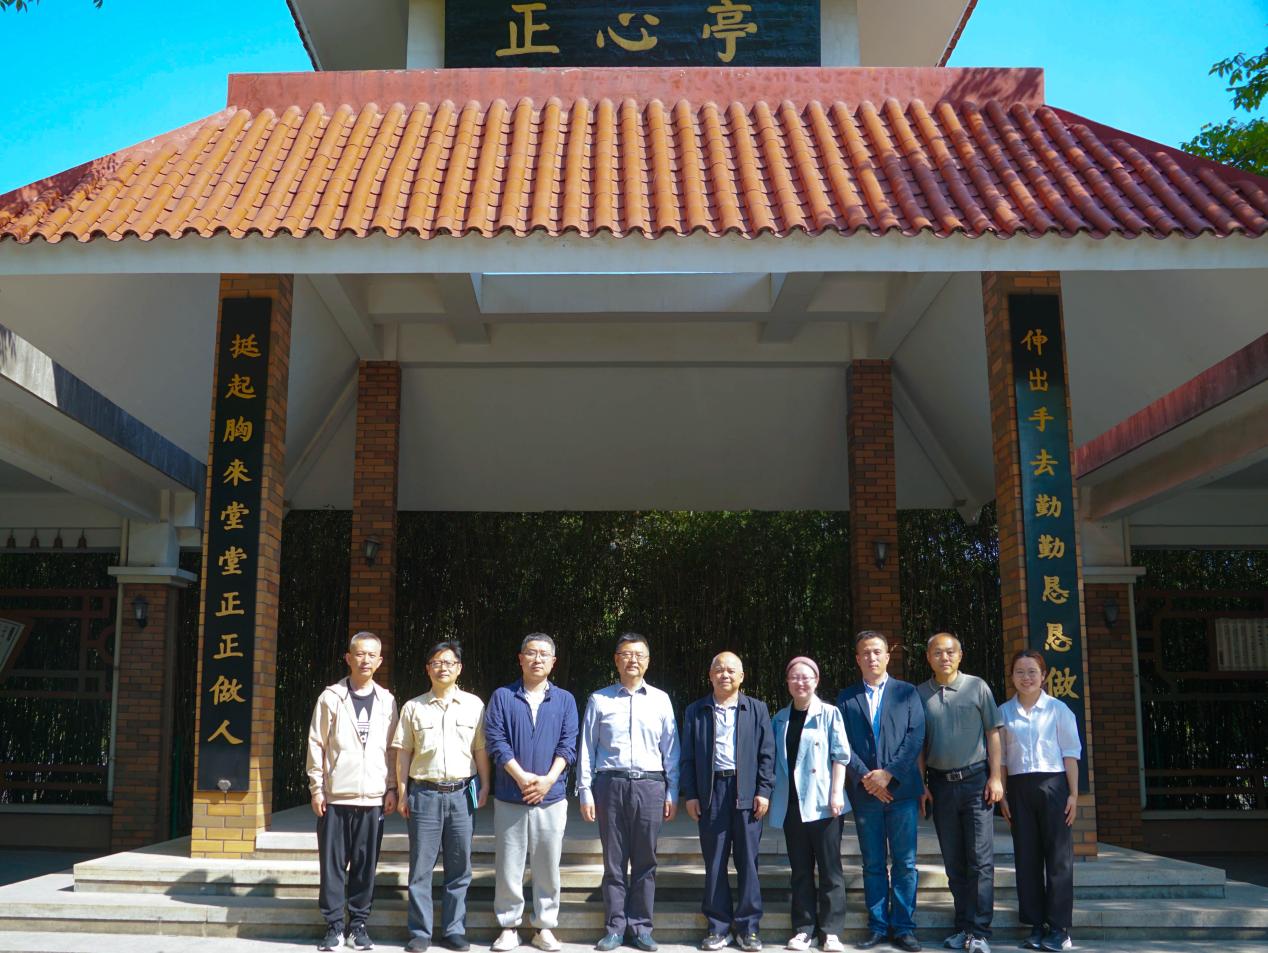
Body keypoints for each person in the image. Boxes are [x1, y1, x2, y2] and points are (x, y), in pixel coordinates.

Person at [577, 632, 680, 953]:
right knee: (614, 860)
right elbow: (586, 748)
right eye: (626, 654)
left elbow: (671, 750)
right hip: (610, 785)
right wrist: (584, 790)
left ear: (647, 661)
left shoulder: (661, 700)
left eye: (639, 655)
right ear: (616, 660)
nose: (632, 660)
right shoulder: (599, 699)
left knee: (646, 860)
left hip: (650, 785)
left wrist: (672, 791)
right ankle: (615, 927)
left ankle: (642, 927)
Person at [393, 640, 491, 953]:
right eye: (436, 662)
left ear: (459, 668)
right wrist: (403, 792)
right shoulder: (413, 707)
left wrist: (485, 785)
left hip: (462, 793)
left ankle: (454, 930)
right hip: (424, 793)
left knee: (459, 867)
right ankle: (420, 933)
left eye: (449, 662)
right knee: (421, 868)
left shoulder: (474, 705)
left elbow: (480, 749)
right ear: (428, 669)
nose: (442, 667)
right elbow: (403, 753)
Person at [483, 634, 578, 953]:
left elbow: (568, 744)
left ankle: (544, 927)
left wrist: (548, 780)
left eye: (544, 654)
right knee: (508, 864)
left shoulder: (565, 700)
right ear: (520, 658)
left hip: (551, 798)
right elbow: (496, 741)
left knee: (548, 865)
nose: (538, 659)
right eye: (531, 653)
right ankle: (508, 926)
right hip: (511, 795)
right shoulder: (502, 696)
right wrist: (522, 777)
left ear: (554, 661)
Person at [306, 631, 399, 952]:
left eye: (371, 655)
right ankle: (333, 927)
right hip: (336, 797)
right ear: (348, 658)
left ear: (380, 661)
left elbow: (392, 749)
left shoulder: (387, 700)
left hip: (373, 798)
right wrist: (317, 788)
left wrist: (391, 787)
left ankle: (358, 925)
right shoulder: (331, 697)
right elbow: (316, 744)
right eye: (359, 654)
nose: (365, 660)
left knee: (364, 866)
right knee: (332, 866)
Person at [836, 631, 926, 952]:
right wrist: (868, 778)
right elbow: (841, 743)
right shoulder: (846, 698)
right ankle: (876, 926)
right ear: (857, 659)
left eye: (877, 652)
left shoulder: (907, 692)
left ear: (888, 656)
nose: (871, 657)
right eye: (865, 653)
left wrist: (888, 775)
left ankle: (903, 927)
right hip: (865, 794)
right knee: (873, 863)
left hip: (901, 791)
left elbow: (915, 737)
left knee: (905, 863)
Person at [681, 651, 776, 952]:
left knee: (748, 860)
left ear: (742, 677)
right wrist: (691, 794)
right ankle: (718, 926)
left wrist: (764, 790)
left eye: (731, 670)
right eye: (719, 670)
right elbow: (687, 758)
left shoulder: (757, 709)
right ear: (710, 676)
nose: (725, 675)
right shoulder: (696, 711)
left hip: (746, 791)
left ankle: (749, 928)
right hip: (711, 792)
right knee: (715, 861)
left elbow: (767, 754)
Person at [917, 633, 1004, 953]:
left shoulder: (977, 687)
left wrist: (996, 777)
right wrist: (921, 785)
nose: (945, 657)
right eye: (938, 652)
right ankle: (963, 926)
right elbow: (919, 745)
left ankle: (979, 931)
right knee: (954, 861)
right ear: (929, 657)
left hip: (976, 782)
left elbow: (993, 734)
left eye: (951, 652)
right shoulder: (920, 694)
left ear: (960, 655)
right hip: (940, 786)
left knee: (980, 860)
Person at [999, 650, 1081, 953]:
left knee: (1058, 859)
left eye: (1032, 671)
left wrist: (1073, 795)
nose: (1026, 677)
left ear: (1043, 675)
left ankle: (1059, 929)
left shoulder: (1059, 710)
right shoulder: (1003, 713)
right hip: (1019, 787)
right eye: (1020, 672)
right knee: (1027, 858)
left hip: (1054, 785)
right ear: (1012, 677)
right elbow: (1002, 759)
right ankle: (1035, 925)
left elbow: (1070, 754)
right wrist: (1003, 795)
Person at [769, 655, 851, 953]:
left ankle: (831, 932)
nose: (800, 682)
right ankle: (804, 930)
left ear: (816, 680)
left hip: (824, 803)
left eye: (806, 677)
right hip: (792, 804)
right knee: (800, 870)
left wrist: (836, 792)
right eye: (794, 677)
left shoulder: (829, 714)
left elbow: (841, 755)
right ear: (787, 682)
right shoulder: (780, 718)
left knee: (830, 869)